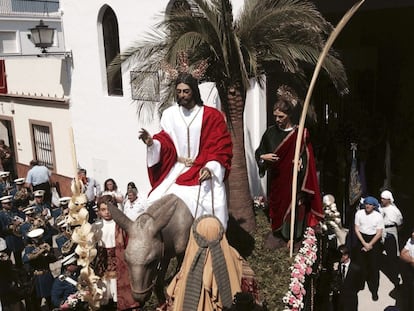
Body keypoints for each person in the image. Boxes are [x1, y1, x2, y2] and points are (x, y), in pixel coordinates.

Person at [139, 72, 232, 229]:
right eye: (179, 91)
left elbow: (220, 147)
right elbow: (165, 141)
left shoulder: (211, 115)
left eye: (186, 91)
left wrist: (211, 167)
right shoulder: (170, 114)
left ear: (194, 91)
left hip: (203, 167)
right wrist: (152, 144)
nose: (182, 95)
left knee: (212, 206)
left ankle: (213, 244)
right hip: (177, 168)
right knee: (153, 199)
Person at [255, 85, 323, 248]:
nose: (277, 119)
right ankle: (278, 233)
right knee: (278, 206)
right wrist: (263, 157)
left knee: (295, 206)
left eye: (280, 116)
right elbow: (260, 152)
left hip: (294, 179)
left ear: (289, 115)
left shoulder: (300, 134)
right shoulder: (270, 132)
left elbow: (308, 156)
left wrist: (302, 163)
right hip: (277, 179)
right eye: (275, 116)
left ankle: (294, 236)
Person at [92, 195, 141, 311]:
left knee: (119, 289)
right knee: (105, 292)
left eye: (109, 209)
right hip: (103, 262)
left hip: (119, 260)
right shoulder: (96, 226)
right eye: (103, 210)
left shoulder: (120, 225)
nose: (107, 212)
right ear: (98, 211)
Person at [354, 196, 384, 301]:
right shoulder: (359, 214)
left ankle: (374, 290)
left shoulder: (378, 216)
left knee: (374, 267)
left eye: (370, 204)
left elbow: (379, 233)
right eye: (366, 204)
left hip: (373, 241)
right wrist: (364, 243)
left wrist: (370, 244)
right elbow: (356, 229)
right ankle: (359, 285)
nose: (368, 206)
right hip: (362, 239)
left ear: (374, 206)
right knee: (360, 264)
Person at [379, 190, 403, 290]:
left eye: (383, 199)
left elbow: (400, 222)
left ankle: (395, 279)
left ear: (388, 200)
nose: (382, 200)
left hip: (390, 232)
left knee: (392, 257)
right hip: (381, 231)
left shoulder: (394, 210)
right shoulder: (380, 208)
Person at [332, 245, 364, 311]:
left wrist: (351, 291)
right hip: (339, 300)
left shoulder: (356, 269)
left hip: (350, 300)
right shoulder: (337, 266)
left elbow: (360, 285)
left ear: (346, 256)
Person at [400, 227, 414, 311]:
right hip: (410, 271)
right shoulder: (411, 240)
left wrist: (409, 258)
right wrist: (412, 260)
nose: (412, 234)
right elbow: (402, 254)